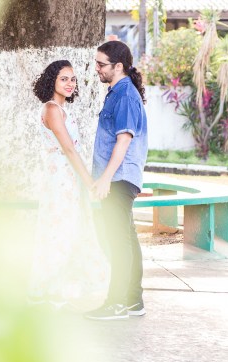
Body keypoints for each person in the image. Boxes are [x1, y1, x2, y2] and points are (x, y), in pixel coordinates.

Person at [27, 60, 109, 308]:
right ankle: (44, 288)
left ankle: (60, 285)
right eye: (64, 78)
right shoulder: (52, 109)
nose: (70, 83)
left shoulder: (62, 110)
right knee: (59, 230)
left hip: (69, 177)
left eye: (73, 79)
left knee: (73, 227)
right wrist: (91, 184)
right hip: (61, 177)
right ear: (52, 80)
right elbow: (69, 150)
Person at [84, 41, 148, 321]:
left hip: (119, 178)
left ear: (117, 66)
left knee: (118, 241)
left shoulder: (124, 95)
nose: (96, 69)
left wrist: (105, 179)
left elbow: (124, 140)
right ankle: (133, 301)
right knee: (127, 239)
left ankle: (117, 303)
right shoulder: (118, 93)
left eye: (101, 64)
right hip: (120, 178)